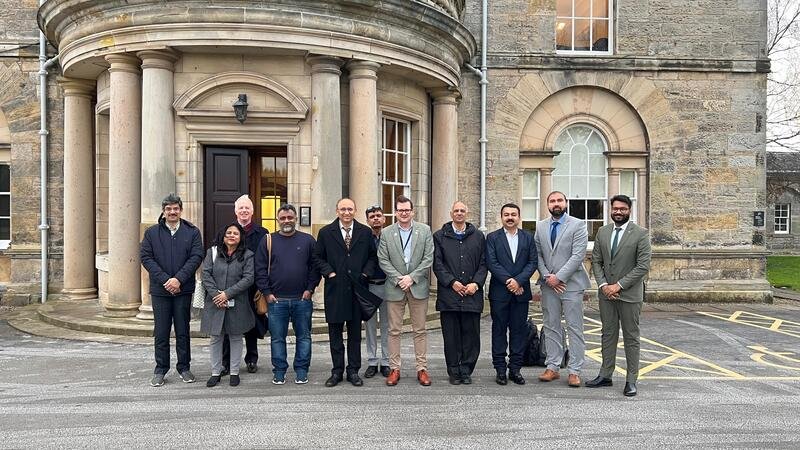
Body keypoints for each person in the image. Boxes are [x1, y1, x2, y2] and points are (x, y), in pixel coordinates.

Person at [587, 195, 651, 397]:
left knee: (631, 337)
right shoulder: (603, 232)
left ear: (629, 210)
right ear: (610, 210)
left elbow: (643, 266)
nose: (618, 212)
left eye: (622, 209)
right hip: (606, 294)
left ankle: (631, 380)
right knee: (608, 334)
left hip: (629, 294)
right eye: (615, 208)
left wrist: (619, 285)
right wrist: (604, 285)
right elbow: (596, 261)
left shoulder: (641, 234)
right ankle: (605, 375)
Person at [313, 198, 378, 387]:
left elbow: (373, 257)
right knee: (335, 334)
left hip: (357, 290)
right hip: (335, 289)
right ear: (337, 211)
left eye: (350, 209)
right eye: (343, 209)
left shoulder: (365, 232)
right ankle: (337, 371)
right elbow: (318, 257)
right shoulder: (326, 233)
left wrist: (366, 273)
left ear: (355, 210)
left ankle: (353, 371)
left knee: (355, 334)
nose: (347, 212)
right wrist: (329, 272)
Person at [140, 193, 204, 387]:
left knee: (183, 331)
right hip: (160, 291)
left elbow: (196, 256)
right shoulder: (151, 233)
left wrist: (178, 279)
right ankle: (160, 369)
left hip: (182, 290)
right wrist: (166, 280)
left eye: (175, 208)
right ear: (163, 211)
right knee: (161, 332)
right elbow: (146, 257)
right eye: (168, 209)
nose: (172, 212)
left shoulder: (192, 232)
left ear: (181, 210)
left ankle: (184, 367)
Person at [255, 204, 320, 385]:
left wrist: (310, 290)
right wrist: (267, 293)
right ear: (278, 220)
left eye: (290, 218)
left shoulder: (308, 240)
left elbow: (315, 268)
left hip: (302, 300)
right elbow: (259, 269)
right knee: (277, 338)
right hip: (276, 301)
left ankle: (301, 370)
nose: (286, 221)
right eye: (283, 218)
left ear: (296, 219)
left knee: (304, 337)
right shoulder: (268, 240)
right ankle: (279, 371)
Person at [533, 191, 590, 387]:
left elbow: (578, 255)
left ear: (566, 203)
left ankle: (574, 370)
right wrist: (548, 277)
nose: (556, 204)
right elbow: (538, 254)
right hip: (549, 285)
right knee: (551, 326)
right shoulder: (540, 226)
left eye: (559, 200)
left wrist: (560, 277)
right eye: (552, 201)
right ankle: (553, 367)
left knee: (575, 327)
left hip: (571, 284)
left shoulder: (578, 224)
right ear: (547, 204)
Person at [377, 195, 435, 387]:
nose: (403, 213)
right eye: (400, 210)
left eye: (406, 210)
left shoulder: (425, 230)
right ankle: (395, 368)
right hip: (395, 287)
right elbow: (383, 259)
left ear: (412, 212)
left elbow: (428, 258)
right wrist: (398, 278)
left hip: (417, 286)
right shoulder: (386, 233)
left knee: (420, 330)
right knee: (394, 330)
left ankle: (421, 368)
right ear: (395, 212)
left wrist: (412, 277)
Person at [432, 201, 487, 385]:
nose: (459, 213)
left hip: (472, 294)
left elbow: (483, 263)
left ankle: (466, 370)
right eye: (456, 210)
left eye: (462, 210)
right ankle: (454, 371)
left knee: (471, 337)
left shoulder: (478, 237)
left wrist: (476, 284)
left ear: (467, 213)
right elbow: (437, 264)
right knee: (451, 336)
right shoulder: (440, 236)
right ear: (451, 213)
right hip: (450, 295)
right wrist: (452, 282)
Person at [485, 203, 537, 386]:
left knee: (518, 332)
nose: (510, 217)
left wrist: (519, 282)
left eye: (513, 214)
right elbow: (491, 262)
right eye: (506, 214)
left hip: (521, 293)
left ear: (519, 217)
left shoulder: (528, 238)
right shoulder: (492, 238)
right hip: (500, 293)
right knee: (498, 331)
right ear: (501, 217)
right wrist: (511, 282)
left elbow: (532, 262)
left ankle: (515, 369)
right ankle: (500, 369)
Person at [201, 223, 255, 387]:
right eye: (228, 233)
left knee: (236, 337)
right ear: (223, 236)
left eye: (235, 233)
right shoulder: (212, 252)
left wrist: (227, 294)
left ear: (241, 237)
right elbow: (205, 274)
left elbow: (248, 278)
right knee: (216, 337)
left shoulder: (248, 255)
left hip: (237, 302)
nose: (232, 236)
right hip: (215, 302)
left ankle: (234, 372)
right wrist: (217, 295)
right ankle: (216, 372)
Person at [222, 195, 269, 375]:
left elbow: (267, 260)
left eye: (247, 208)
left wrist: (263, 286)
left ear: (252, 211)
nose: (244, 211)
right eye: (240, 208)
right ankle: (226, 362)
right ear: (235, 211)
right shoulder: (228, 232)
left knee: (252, 324)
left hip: (253, 288)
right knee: (228, 326)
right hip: (231, 287)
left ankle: (251, 359)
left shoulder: (262, 233)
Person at [363, 205, 391, 378]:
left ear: (384, 219)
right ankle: (372, 361)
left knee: (388, 326)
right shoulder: (363, 237)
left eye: (379, 215)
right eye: (372, 216)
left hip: (388, 285)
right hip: (370, 286)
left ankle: (387, 361)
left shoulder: (390, 236)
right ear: (367, 220)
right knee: (370, 326)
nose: (376, 219)